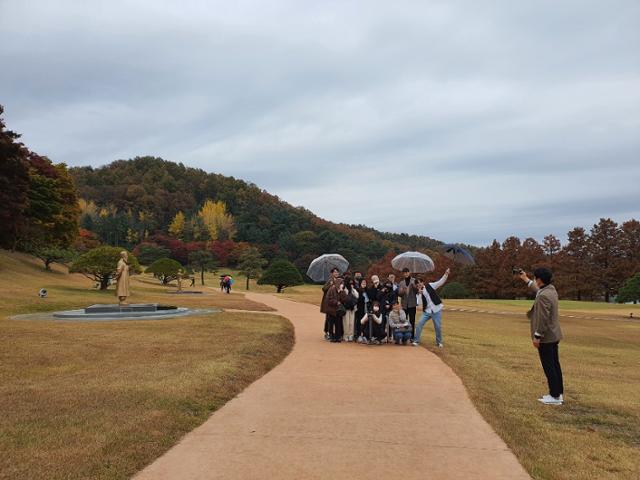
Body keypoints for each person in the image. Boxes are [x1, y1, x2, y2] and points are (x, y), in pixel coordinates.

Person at [519, 268, 564, 405]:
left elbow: (543, 318)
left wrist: (537, 336)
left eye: (535, 278)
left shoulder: (543, 295)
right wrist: (525, 279)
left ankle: (554, 396)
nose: (535, 280)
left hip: (546, 337)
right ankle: (558, 393)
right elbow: (537, 290)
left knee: (549, 366)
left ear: (539, 279)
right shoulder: (551, 290)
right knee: (555, 365)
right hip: (553, 335)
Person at [413, 268, 450, 348]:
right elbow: (418, 303)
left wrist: (446, 274)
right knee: (419, 324)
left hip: (436, 309)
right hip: (427, 311)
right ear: (416, 285)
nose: (419, 284)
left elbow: (440, 282)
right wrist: (419, 294)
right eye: (417, 284)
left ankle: (439, 342)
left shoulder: (430, 286)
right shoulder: (418, 293)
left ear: (423, 282)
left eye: (420, 282)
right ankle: (416, 341)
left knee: (437, 326)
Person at [321, 268, 342, 340]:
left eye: (337, 272)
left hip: (337, 302)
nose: (336, 273)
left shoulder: (340, 280)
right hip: (329, 303)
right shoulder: (330, 280)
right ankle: (327, 332)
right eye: (335, 272)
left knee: (336, 319)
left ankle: (336, 334)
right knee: (329, 319)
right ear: (332, 273)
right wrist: (330, 285)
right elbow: (324, 289)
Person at [397, 268, 419, 338]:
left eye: (407, 272)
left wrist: (414, 286)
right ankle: (404, 336)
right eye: (404, 273)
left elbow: (417, 291)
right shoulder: (401, 283)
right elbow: (399, 294)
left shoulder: (414, 280)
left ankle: (412, 337)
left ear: (409, 272)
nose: (406, 274)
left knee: (412, 321)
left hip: (412, 304)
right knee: (403, 320)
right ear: (403, 274)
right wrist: (403, 290)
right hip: (404, 305)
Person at [326, 278, 347, 343]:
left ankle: (338, 337)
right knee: (331, 324)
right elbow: (328, 299)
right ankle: (331, 336)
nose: (342, 285)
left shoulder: (342, 291)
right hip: (331, 310)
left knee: (338, 324)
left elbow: (344, 299)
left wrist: (343, 292)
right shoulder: (331, 289)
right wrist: (336, 302)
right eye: (341, 283)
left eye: (342, 284)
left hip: (338, 311)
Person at [355, 278, 369, 343]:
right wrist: (362, 292)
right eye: (363, 282)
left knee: (366, 322)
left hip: (366, 308)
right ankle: (359, 335)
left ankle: (365, 335)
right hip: (360, 308)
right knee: (359, 322)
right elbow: (358, 299)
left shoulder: (367, 290)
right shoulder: (358, 290)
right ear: (360, 283)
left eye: (365, 282)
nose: (364, 283)